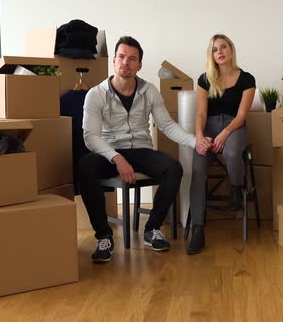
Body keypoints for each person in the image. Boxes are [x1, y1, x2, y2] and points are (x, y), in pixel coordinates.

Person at [79, 36, 206, 263]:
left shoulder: (150, 91)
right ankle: (104, 237)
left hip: (141, 149)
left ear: (139, 65)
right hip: (109, 151)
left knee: (173, 168)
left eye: (132, 58)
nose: (125, 62)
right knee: (85, 165)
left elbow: (166, 125)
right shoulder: (95, 94)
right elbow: (91, 137)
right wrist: (116, 157)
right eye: (121, 57)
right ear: (114, 61)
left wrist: (194, 141)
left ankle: (152, 228)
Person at [186, 34, 256, 254]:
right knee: (198, 169)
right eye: (215, 49)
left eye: (223, 47)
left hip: (234, 127)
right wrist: (199, 135)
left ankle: (236, 188)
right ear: (212, 55)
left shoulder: (247, 79)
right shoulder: (205, 80)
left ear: (231, 50)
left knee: (233, 152)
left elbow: (242, 115)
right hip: (209, 128)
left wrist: (225, 134)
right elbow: (200, 113)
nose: (220, 52)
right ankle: (198, 228)